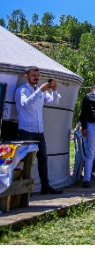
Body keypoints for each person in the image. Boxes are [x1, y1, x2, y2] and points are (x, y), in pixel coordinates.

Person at [15, 66, 63, 195]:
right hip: (26, 130)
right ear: (27, 76)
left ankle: (45, 186)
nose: (36, 77)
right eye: (33, 75)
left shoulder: (40, 91)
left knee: (43, 158)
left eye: (38, 75)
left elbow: (55, 101)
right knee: (23, 159)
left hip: (39, 130)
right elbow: (25, 104)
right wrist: (39, 91)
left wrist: (54, 90)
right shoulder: (22, 90)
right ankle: (20, 189)